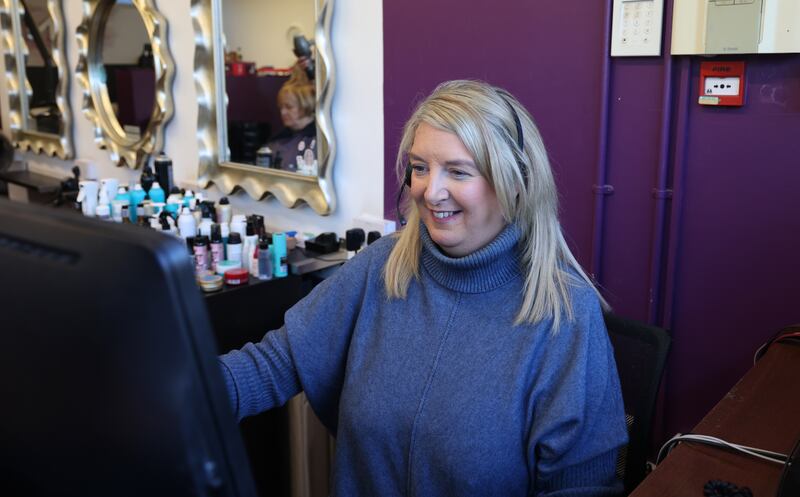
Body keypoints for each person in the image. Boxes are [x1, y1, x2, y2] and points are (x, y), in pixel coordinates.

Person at [219, 80, 628, 496]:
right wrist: (178, 394)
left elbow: (582, 488)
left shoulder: (565, 317)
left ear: (514, 184)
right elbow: (274, 362)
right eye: (419, 168)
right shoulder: (384, 266)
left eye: (458, 171)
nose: (430, 192)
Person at [265, 65, 317, 173]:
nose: (282, 112)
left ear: (305, 105)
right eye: (281, 107)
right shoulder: (277, 141)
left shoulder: (318, 142)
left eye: (289, 107)